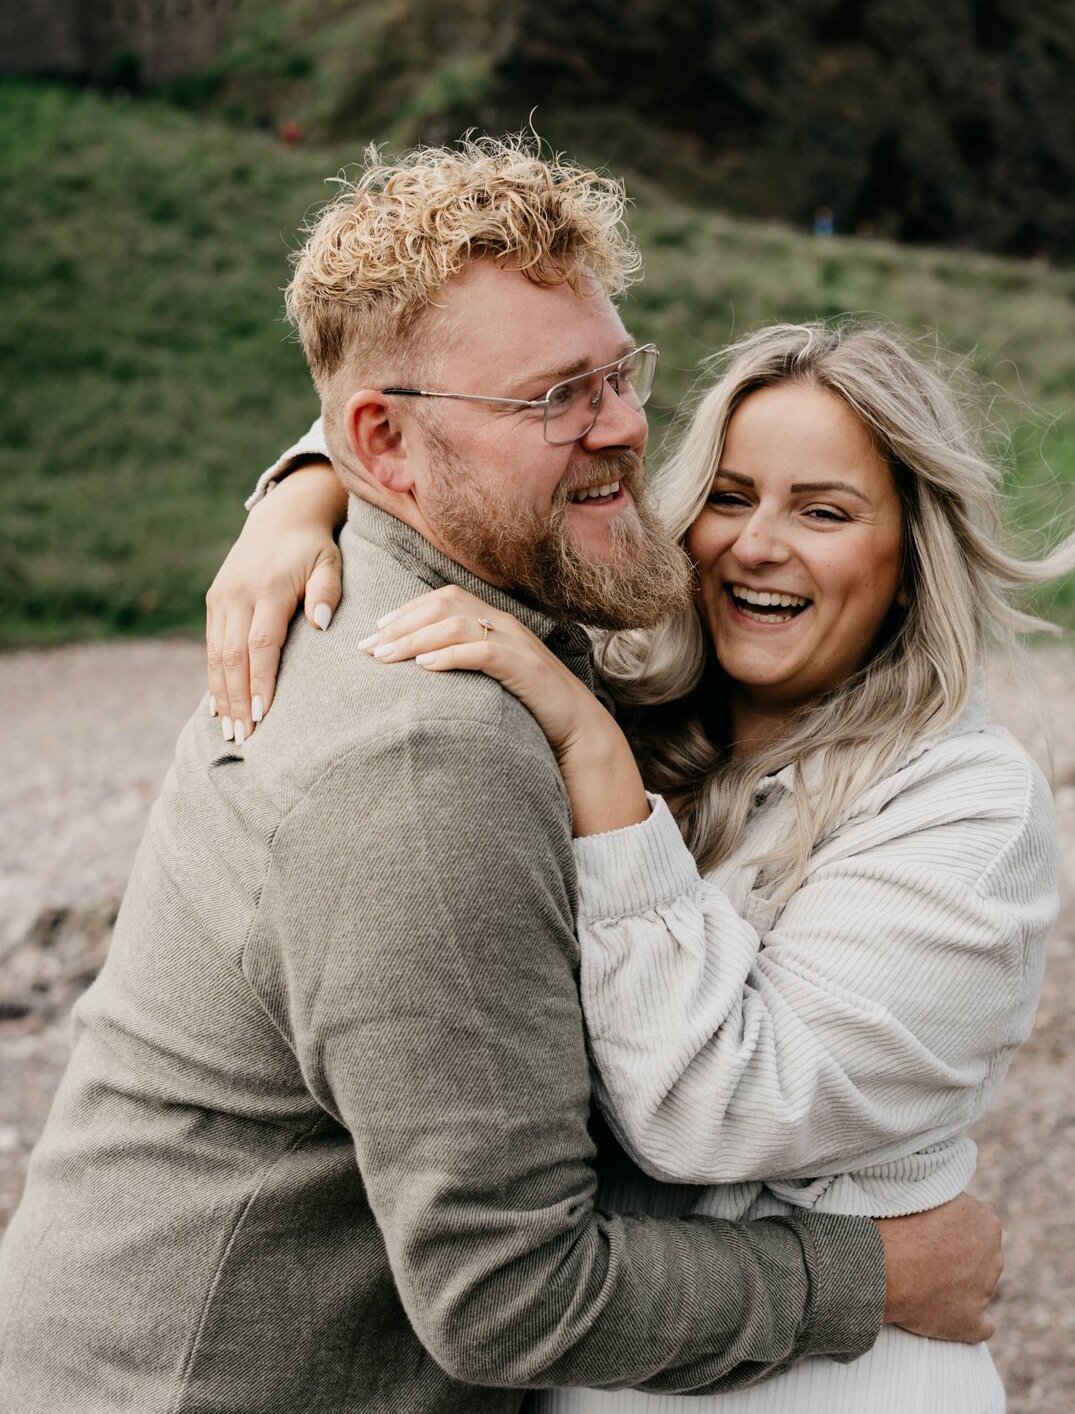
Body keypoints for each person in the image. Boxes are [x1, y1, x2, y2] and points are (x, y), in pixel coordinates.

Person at [0, 142, 1000, 1414]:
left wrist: (305, 484)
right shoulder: (430, 750)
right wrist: (872, 1275)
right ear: (386, 444)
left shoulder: (444, 578)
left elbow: (409, 404)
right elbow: (513, 1294)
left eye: (620, 372)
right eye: (557, 398)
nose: (627, 427)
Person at [213, 309, 1075, 1412]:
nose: (757, 544)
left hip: (836, 1383)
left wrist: (599, 772)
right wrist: (304, 491)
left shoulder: (966, 807)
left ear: (908, 560)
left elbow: (711, 1112)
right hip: (610, 1363)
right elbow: (449, 435)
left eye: (825, 511)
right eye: (732, 497)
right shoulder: (632, 683)